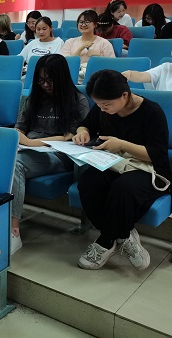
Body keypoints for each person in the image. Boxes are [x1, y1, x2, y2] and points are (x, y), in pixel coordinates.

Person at [73, 70, 171, 270]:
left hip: (148, 168)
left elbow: (157, 155)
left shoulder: (151, 112)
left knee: (123, 188)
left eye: (106, 105)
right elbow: (85, 125)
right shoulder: (103, 108)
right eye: (98, 104)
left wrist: (122, 144)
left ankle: (106, 241)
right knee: (88, 183)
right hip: (114, 163)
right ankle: (124, 235)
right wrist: (82, 132)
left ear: (124, 95)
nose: (102, 108)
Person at [10, 55, 90, 254]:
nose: (45, 85)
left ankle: (13, 231)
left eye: (50, 80)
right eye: (41, 80)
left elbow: (70, 137)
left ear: (62, 78)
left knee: (14, 165)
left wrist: (30, 142)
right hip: (28, 149)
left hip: (59, 154)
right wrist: (19, 136)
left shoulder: (77, 101)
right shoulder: (35, 98)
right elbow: (20, 126)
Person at [59, 10, 115, 83]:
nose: (83, 25)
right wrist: (81, 48)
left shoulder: (104, 43)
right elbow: (65, 63)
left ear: (95, 24)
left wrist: (99, 55)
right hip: (72, 79)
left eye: (87, 22)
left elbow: (111, 64)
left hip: (97, 80)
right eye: (81, 22)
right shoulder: (70, 42)